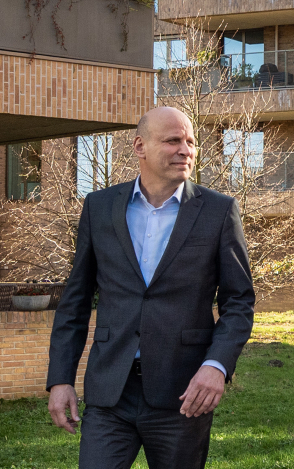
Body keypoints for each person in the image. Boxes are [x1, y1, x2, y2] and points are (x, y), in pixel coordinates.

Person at [46, 106, 258, 469]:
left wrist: (217, 366)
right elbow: (75, 301)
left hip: (184, 392)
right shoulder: (100, 207)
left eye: (190, 142)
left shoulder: (218, 211)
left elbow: (239, 302)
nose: (186, 150)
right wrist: (60, 379)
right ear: (140, 147)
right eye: (173, 141)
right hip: (111, 390)